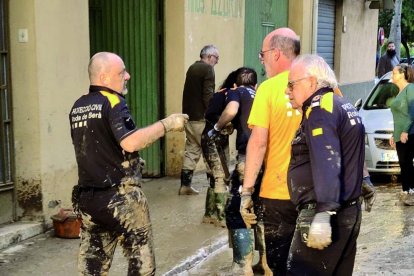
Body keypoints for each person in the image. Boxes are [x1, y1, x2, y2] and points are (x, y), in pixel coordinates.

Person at [69, 52, 188, 275]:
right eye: (122, 72)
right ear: (104, 77)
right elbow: (131, 142)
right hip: (120, 200)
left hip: (88, 201)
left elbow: (96, 147)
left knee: (92, 267)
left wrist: (129, 161)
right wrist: (168, 123)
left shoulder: (78, 106)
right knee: (141, 265)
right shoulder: (113, 101)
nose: (128, 76)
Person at [285, 54, 365, 275]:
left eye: (291, 84)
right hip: (348, 211)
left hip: (326, 213)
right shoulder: (341, 103)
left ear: (312, 81)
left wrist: (324, 213)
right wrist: (364, 180)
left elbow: (327, 159)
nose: (287, 91)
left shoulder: (320, 108)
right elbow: (350, 151)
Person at [239, 27, 302, 275]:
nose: (262, 60)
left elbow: (258, 142)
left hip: (279, 194)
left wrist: (246, 191)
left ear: (276, 54)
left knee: (280, 264)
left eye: (262, 54)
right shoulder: (321, 83)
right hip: (316, 193)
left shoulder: (268, 88)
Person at [180, 44, 220, 195]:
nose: (217, 61)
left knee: (192, 149)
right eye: (216, 58)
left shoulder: (192, 67)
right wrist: (214, 116)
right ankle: (215, 186)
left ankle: (185, 186)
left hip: (189, 117)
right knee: (210, 149)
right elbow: (208, 96)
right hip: (202, 119)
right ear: (209, 57)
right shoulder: (208, 69)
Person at [200, 69, 237, 227]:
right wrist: (223, 123)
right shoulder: (223, 95)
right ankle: (221, 217)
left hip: (219, 140)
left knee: (217, 177)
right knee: (220, 177)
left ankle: (209, 214)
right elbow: (209, 114)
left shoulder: (230, 95)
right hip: (212, 140)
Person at [389, 63, 414, 205]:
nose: (392, 75)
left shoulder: (410, 88)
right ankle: (406, 192)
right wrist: (394, 134)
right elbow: (397, 117)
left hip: (410, 133)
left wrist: (405, 131)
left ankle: (410, 192)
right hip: (400, 134)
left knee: (408, 164)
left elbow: (412, 112)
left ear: (402, 74)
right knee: (403, 164)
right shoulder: (398, 92)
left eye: (394, 73)